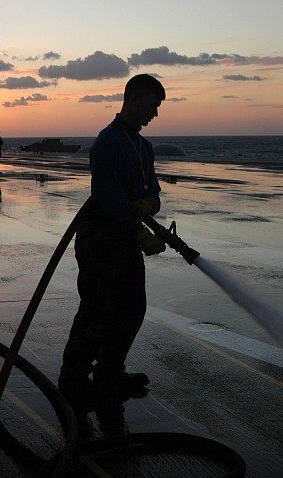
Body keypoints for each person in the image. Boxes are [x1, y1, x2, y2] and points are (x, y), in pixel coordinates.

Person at [58, 74, 167, 402]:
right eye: (152, 105)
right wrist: (139, 231)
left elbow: (154, 190)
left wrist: (150, 203)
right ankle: (73, 381)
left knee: (132, 308)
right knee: (98, 311)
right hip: (100, 240)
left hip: (126, 241)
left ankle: (110, 372)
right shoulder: (107, 142)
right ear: (133, 99)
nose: (155, 114)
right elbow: (108, 196)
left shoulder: (143, 147)